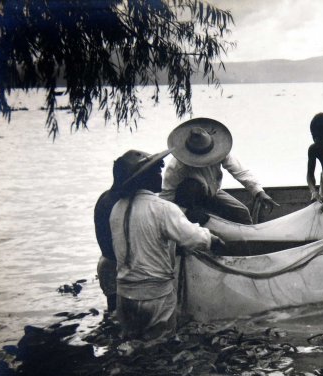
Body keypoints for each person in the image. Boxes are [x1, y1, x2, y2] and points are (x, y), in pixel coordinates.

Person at [110, 148, 224, 341]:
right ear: (143, 178)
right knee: (159, 345)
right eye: (155, 171)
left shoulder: (117, 208)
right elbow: (194, 238)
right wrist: (213, 239)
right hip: (155, 296)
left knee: (131, 344)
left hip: (124, 294)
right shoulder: (162, 209)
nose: (160, 176)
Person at [160, 117, 279, 225]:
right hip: (188, 201)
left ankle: (249, 242)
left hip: (212, 193)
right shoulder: (176, 167)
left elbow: (240, 172)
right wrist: (183, 212)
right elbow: (166, 196)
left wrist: (259, 192)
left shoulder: (219, 151)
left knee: (241, 213)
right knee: (192, 186)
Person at [93, 160, 131, 314]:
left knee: (114, 313)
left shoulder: (105, 197)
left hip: (106, 262)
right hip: (114, 265)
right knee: (121, 313)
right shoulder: (118, 204)